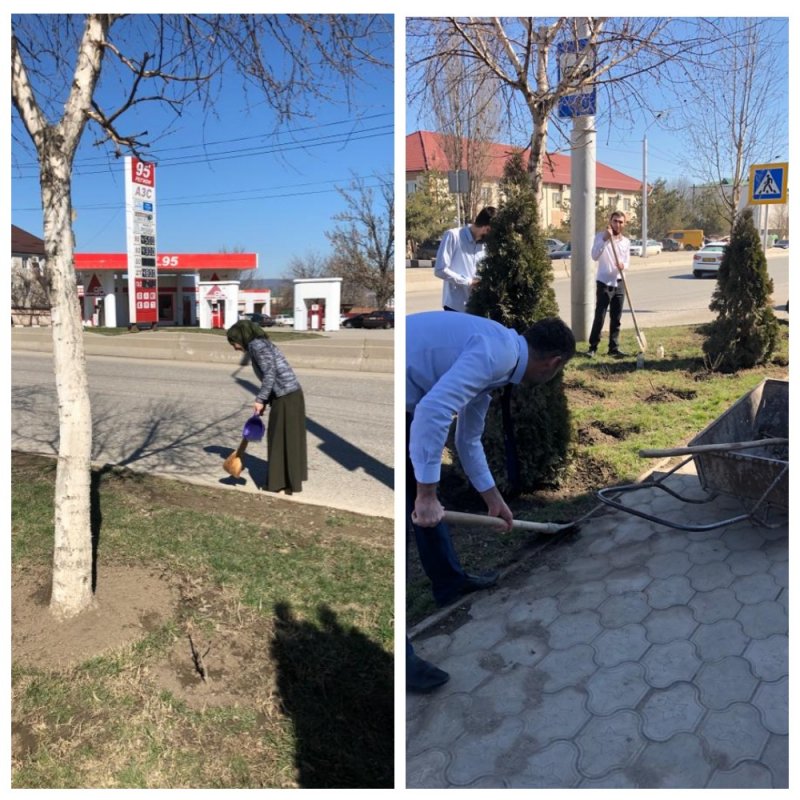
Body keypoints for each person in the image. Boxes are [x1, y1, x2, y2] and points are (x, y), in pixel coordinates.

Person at [406, 311, 576, 691]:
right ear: (553, 363)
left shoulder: (502, 359)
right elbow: (432, 414)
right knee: (406, 518)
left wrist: (493, 500)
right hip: (396, 400)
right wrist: (427, 492)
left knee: (426, 512)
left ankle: (449, 582)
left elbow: (467, 438)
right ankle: (402, 661)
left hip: (409, 403)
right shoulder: (494, 355)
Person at [227, 319, 307, 494]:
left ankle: (278, 484)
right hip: (287, 395)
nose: (236, 348)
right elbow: (272, 375)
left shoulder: (257, 346)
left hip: (287, 396)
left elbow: (270, 374)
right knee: (286, 440)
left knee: (278, 439)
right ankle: (289, 481)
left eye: (235, 343)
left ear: (242, 337)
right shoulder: (261, 344)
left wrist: (260, 399)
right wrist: (266, 399)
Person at [434, 206, 497, 312]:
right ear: (486, 228)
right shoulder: (453, 236)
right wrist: (468, 282)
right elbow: (440, 270)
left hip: (477, 306)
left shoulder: (485, 245)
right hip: (455, 307)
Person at [588, 210, 631, 358]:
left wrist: (623, 265)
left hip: (619, 282)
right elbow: (594, 256)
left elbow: (627, 261)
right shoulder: (600, 237)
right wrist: (605, 239)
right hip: (604, 282)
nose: (617, 224)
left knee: (616, 317)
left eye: (620, 222)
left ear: (624, 224)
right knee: (599, 316)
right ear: (610, 221)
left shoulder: (626, 242)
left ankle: (613, 347)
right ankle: (593, 347)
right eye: (615, 221)